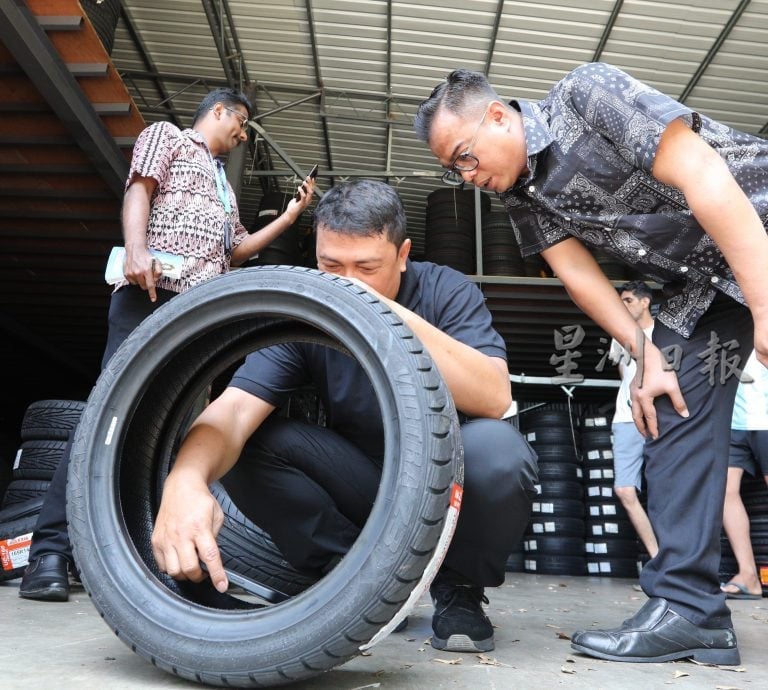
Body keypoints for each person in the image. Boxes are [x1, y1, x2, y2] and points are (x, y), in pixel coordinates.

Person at [415, 62, 768, 665]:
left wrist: (764, 304)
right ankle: (690, 612)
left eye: (466, 156)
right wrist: (645, 353)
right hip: (696, 292)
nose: (468, 177)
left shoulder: (585, 96)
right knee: (667, 406)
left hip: (753, 225)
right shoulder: (523, 197)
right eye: (454, 170)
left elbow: (704, 173)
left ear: (498, 116)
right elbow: (580, 278)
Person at [150, 178, 539, 653]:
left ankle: (458, 588)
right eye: (331, 265)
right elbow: (232, 412)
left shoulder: (445, 290)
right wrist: (184, 480)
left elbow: (494, 396)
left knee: (500, 451)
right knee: (252, 444)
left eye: (367, 267)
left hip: (442, 481)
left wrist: (386, 314)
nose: (346, 283)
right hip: (365, 481)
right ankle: (349, 577)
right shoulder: (309, 310)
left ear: (403, 254)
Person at [19, 87, 316, 602]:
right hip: (152, 296)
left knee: (166, 434)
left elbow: (238, 249)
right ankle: (49, 551)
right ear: (218, 111)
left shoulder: (224, 188)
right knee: (103, 419)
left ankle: (132, 555)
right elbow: (140, 188)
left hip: (195, 323)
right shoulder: (168, 137)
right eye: (240, 123)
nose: (242, 135)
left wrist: (290, 217)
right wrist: (136, 249)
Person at [609, 281, 658, 559]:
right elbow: (624, 375)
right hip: (626, 420)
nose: (623, 306)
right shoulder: (619, 335)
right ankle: (657, 555)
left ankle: (676, 557)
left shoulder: (664, 335)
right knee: (625, 490)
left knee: (666, 489)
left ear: (645, 302)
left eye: (627, 300)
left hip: (658, 421)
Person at [720, 350, 768, 600]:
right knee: (725, 491)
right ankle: (749, 575)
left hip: (766, 420)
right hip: (735, 421)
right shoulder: (730, 316)